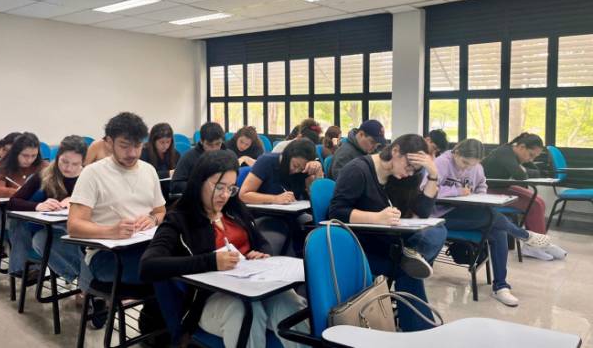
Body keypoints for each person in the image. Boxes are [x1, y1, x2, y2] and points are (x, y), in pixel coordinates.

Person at [140, 150, 308, 348]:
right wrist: (211, 261)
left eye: (231, 188)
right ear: (200, 181)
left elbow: (261, 242)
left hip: (252, 287)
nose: (225, 195)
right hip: (208, 299)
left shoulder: (234, 208)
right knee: (246, 312)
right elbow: (148, 266)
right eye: (219, 187)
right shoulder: (180, 219)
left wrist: (259, 254)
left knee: (290, 302)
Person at [328, 134, 447, 332]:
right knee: (407, 271)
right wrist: (376, 218)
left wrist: (433, 175)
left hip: (392, 241)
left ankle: (411, 255)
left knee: (438, 229)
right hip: (364, 247)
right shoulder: (358, 170)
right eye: (409, 166)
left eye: (415, 170)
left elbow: (423, 211)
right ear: (395, 151)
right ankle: (420, 332)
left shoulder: (403, 177)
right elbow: (336, 212)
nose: (409, 173)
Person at [431, 139, 558, 307]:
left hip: (468, 213)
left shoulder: (476, 167)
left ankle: (501, 286)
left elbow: (481, 186)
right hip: (441, 215)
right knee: (492, 219)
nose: (466, 168)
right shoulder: (440, 163)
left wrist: (480, 197)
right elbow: (427, 191)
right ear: (456, 152)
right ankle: (524, 235)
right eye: (464, 163)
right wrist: (457, 191)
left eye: (472, 165)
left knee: (498, 231)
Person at [67, 112, 166, 288]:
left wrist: (153, 219)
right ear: (109, 142)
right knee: (165, 273)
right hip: (108, 255)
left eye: (137, 146)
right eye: (124, 146)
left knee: (181, 266)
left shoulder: (149, 170)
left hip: (147, 247)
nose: (132, 153)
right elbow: (74, 226)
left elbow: (160, 211)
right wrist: (111, 231)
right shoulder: (93, 173)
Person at [7, 135, 86, 281]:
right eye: (64, 161)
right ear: (57, 156)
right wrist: (38, 206)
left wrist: (76, 201)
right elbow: (13, 202)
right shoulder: (45, 173)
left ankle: (87, 281)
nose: (68, 168)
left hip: (84, 228)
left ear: (83, 162)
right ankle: (84, 279)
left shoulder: (89, 176)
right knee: (40, 240)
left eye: (75, 164)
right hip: (57, 227)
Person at [481, 132, 561, 260]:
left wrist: (522, 169)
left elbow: (536, 172)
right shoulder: (505, 152)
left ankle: (541, 243)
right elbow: (521, 176)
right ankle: (534, 246)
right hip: (486, 190)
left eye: (534, 157)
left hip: (501, 187)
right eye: (531, 155)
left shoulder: (517, 156)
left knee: (540, 202)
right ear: (522, 147)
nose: (531, 159)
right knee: (534, 204)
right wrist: (522, 170)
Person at [239, 138, 323, 204]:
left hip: (293, 214)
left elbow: (315, 199)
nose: (296, 171)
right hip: (265, 214)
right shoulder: (266, 162)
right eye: (295, 165)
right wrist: (275, 199)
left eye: (301, 169)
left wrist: (317, 172)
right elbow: (243, 195)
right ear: (288, 156)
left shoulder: (304, 169)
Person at [171, 122, 230, 195]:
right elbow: (175, 185)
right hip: (196, 197)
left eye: (218, 144)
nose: (214, 149)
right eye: (210, 145)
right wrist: (200, 187)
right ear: (201, 141)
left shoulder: (228, 156)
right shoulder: (188, 157)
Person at [0, 132, 48, 198]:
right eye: (25, 155)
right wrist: (21, 192)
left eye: (34, 155)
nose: (29, 160)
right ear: (16, 153)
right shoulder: (3, 167)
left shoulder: (43, 166)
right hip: (13, 203)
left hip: (41, 203)